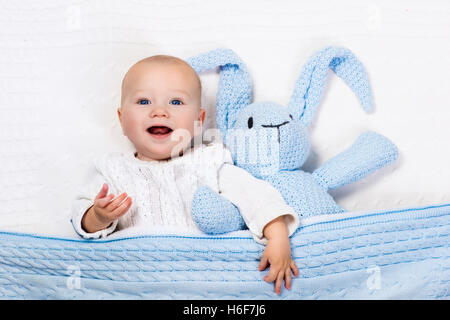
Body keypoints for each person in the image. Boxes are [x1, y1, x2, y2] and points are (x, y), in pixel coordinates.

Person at [71, 54, 300, 294]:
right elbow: (82, 219)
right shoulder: (112, 170)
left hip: (204, 281)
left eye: (176, 102)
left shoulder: (210, 161)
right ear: (122, 120)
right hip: (138, 282)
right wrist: (98, 216)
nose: (159, 111)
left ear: (198, 121)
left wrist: (278, 237)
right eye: (143, 101)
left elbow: (256, 196)